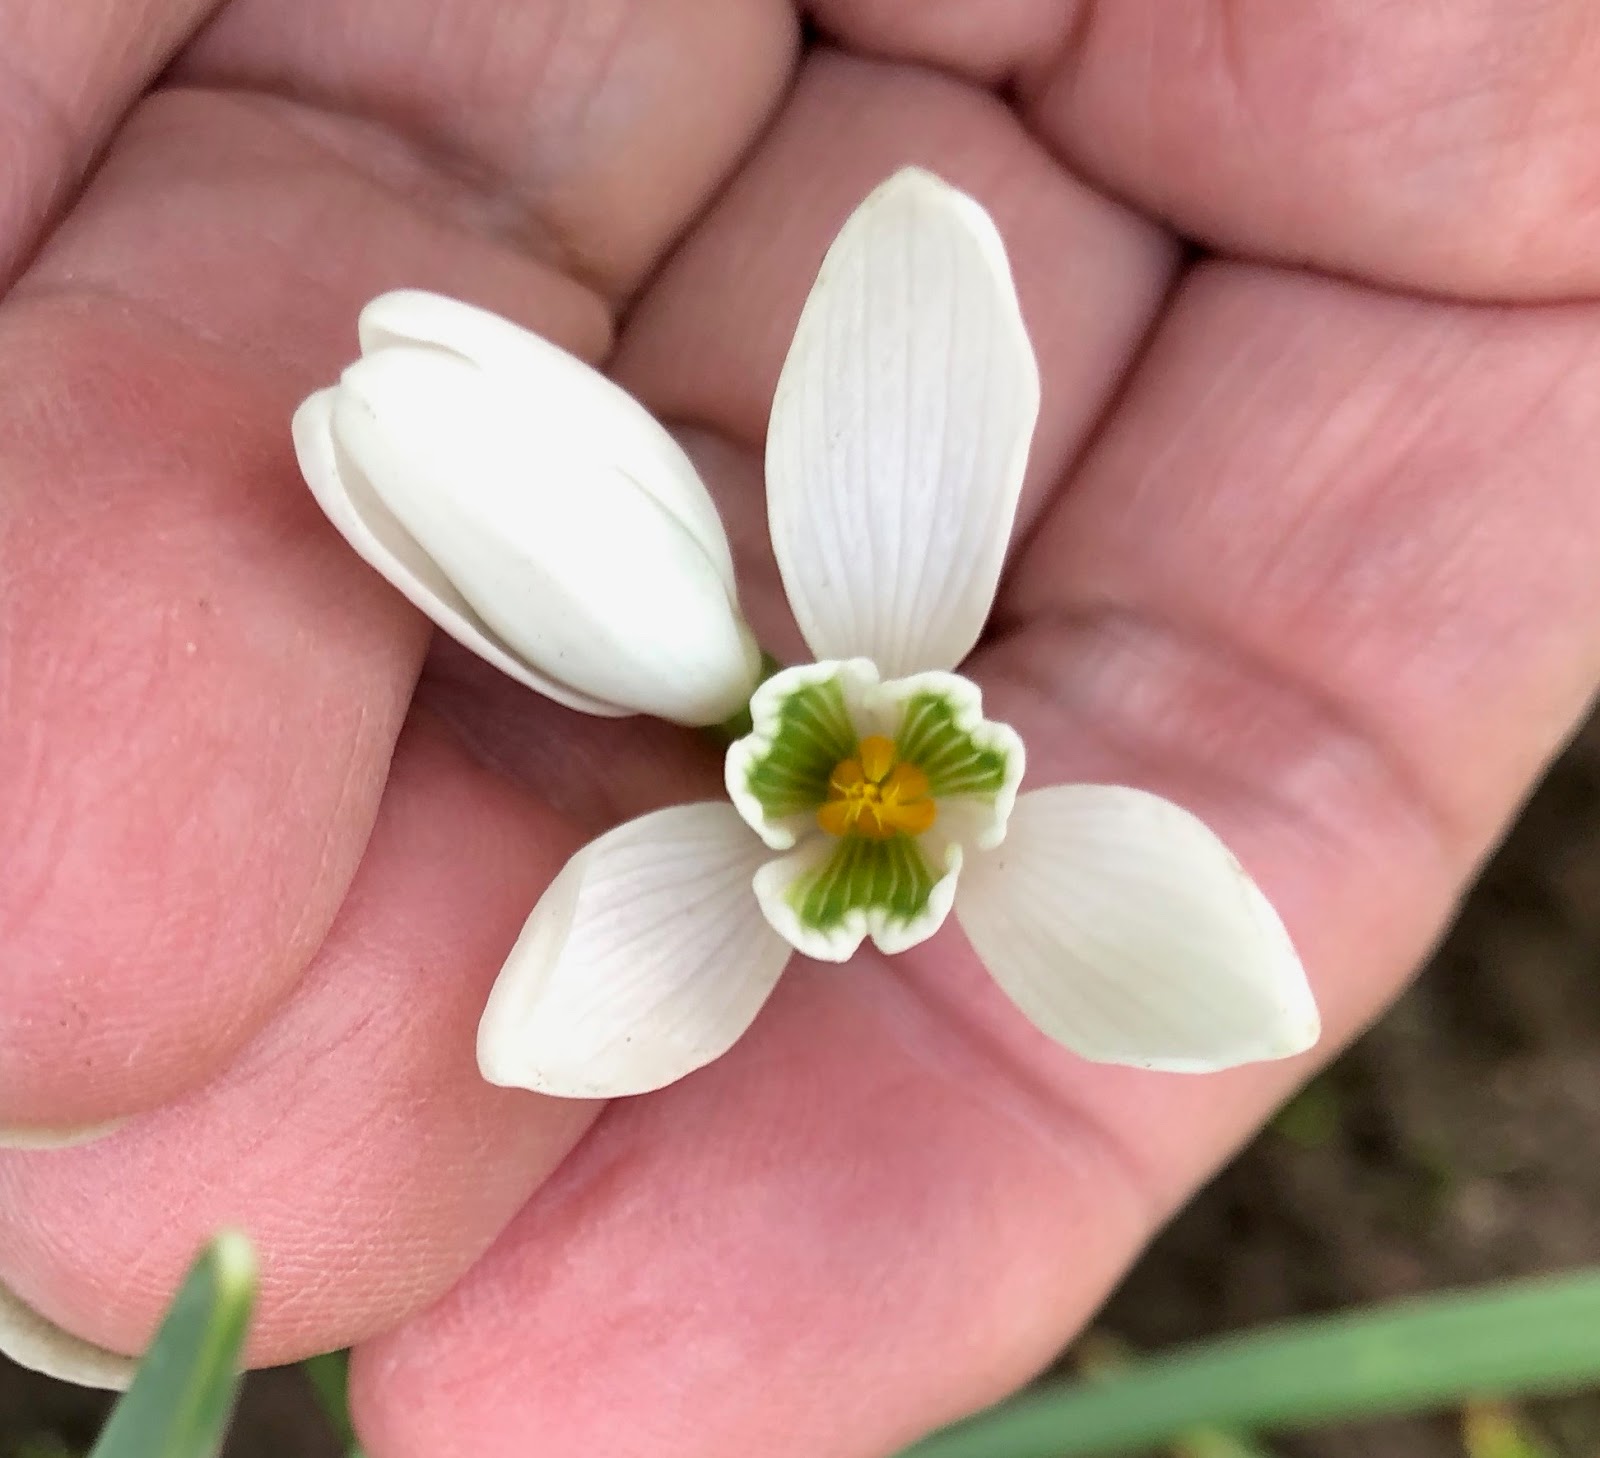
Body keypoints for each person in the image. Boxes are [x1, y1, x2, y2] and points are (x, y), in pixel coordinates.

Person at [3, 3, 1598, 1454]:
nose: (877, 787)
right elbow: (563, 1009)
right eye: (863, 781)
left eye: (885, 792)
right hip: (712, 672)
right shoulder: (773, 736)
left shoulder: (867, 804)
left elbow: (1206, 982)